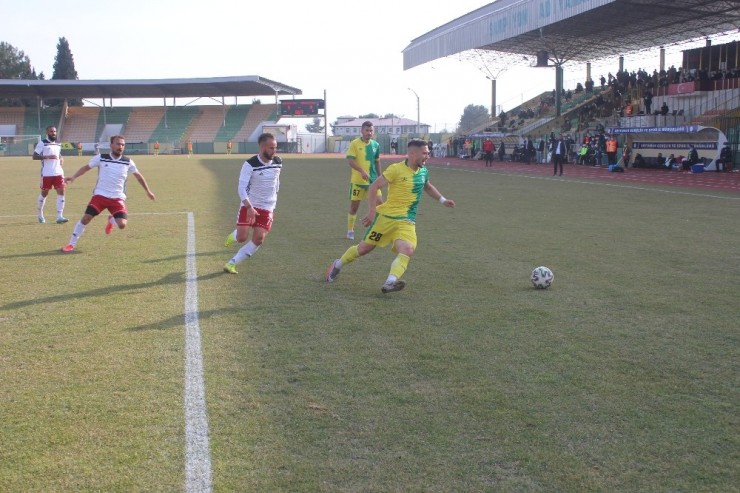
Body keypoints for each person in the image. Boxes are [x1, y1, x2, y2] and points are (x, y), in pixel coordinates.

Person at [325, 139, 455, 294]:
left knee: (407, 249)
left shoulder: (423, 171)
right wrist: (372, 211)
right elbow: (374, 187)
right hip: (385, 219)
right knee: (364, 248)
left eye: (428, 153)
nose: (428, 156)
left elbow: (427, 186)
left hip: (407, 221)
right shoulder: (396, 169)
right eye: (425, 153)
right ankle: (337, 265)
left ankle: (390, 282)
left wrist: (443, 200)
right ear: (412, 153)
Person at [61, 135, 155, 252]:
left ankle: (112, 220)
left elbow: (139, 177)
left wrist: (148, 191)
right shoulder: (101, 157)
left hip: (117, 198)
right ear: (111, 145)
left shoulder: (128, 162)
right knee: (86, 218)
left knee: (122, 225)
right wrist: (74, 177)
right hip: (100, 196)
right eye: (118, 144)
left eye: (122, 144)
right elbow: (86, 168)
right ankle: (71, 244)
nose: (120, 147)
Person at [223, 133, 281, 274]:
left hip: (267, 207)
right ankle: (235, 235)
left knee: (259, 239)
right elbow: (241, 187)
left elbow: (276, 182)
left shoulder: (278, 162)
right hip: (250, 204)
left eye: (275, 148)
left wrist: (273, 203)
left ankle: (232, 263)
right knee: (242, 238)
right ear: (261, 147)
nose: (274, 151)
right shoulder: (250, 164)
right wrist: (249, 206)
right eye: (271, 148)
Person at [344, 121, 382, 240]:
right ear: (362, 131)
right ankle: (350, 230)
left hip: (373, 182)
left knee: (380, 204)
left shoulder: (376, 145)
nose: (369, 133)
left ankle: (377, 231)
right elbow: (350, 160)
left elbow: (377, 161)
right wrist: (361, 171)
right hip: (358, 182)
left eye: (371, 131)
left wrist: (381, 177)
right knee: (354, 206)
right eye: (367, 130)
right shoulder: (355, 144)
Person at [32, 126, 68, 224]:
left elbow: (58, 154)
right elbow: (34, 156)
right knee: (44, 193)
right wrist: (47, 156)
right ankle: (40, 214)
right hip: (47, 173)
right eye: (51, 131)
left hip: (58, 172)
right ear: (47, 132)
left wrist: (61, 158)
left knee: (61, 192)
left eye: (55, 131)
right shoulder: (42, 143)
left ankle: (59, 216)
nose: (53, 133)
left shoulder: (58, 143)